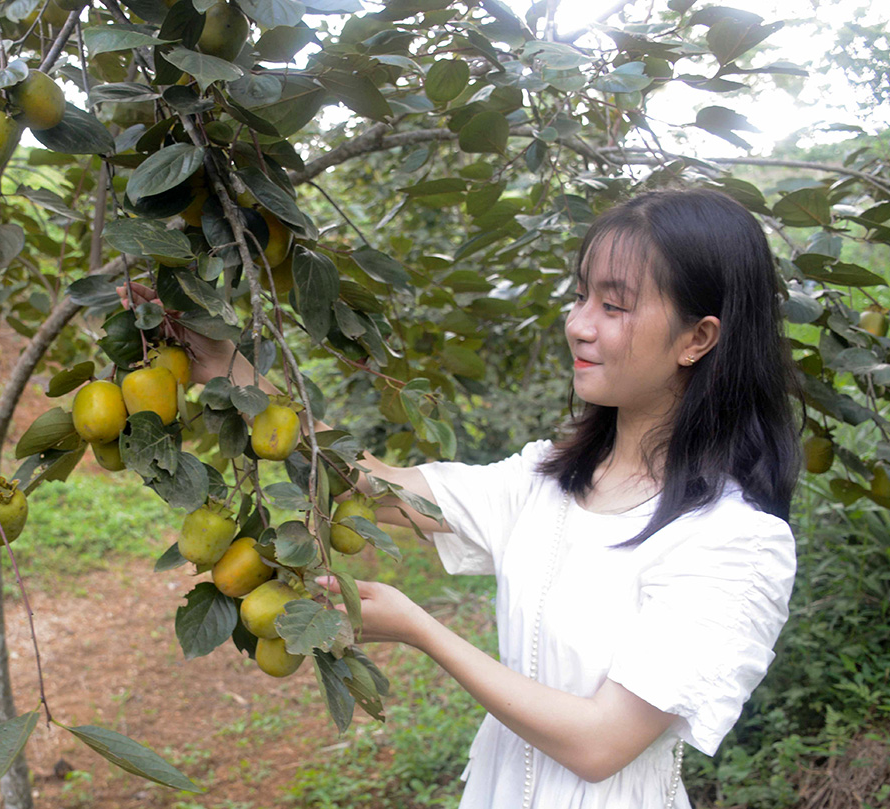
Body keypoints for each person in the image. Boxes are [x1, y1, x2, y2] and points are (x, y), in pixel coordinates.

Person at [120, 187, 802, 808]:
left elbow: (600, 744)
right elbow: (377, 487)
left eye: (614, 305)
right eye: (581, 296)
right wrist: (231, 368)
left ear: (697, 338)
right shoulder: (548, 480)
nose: (578, 324)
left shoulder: (734, 542)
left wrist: (423, 631)